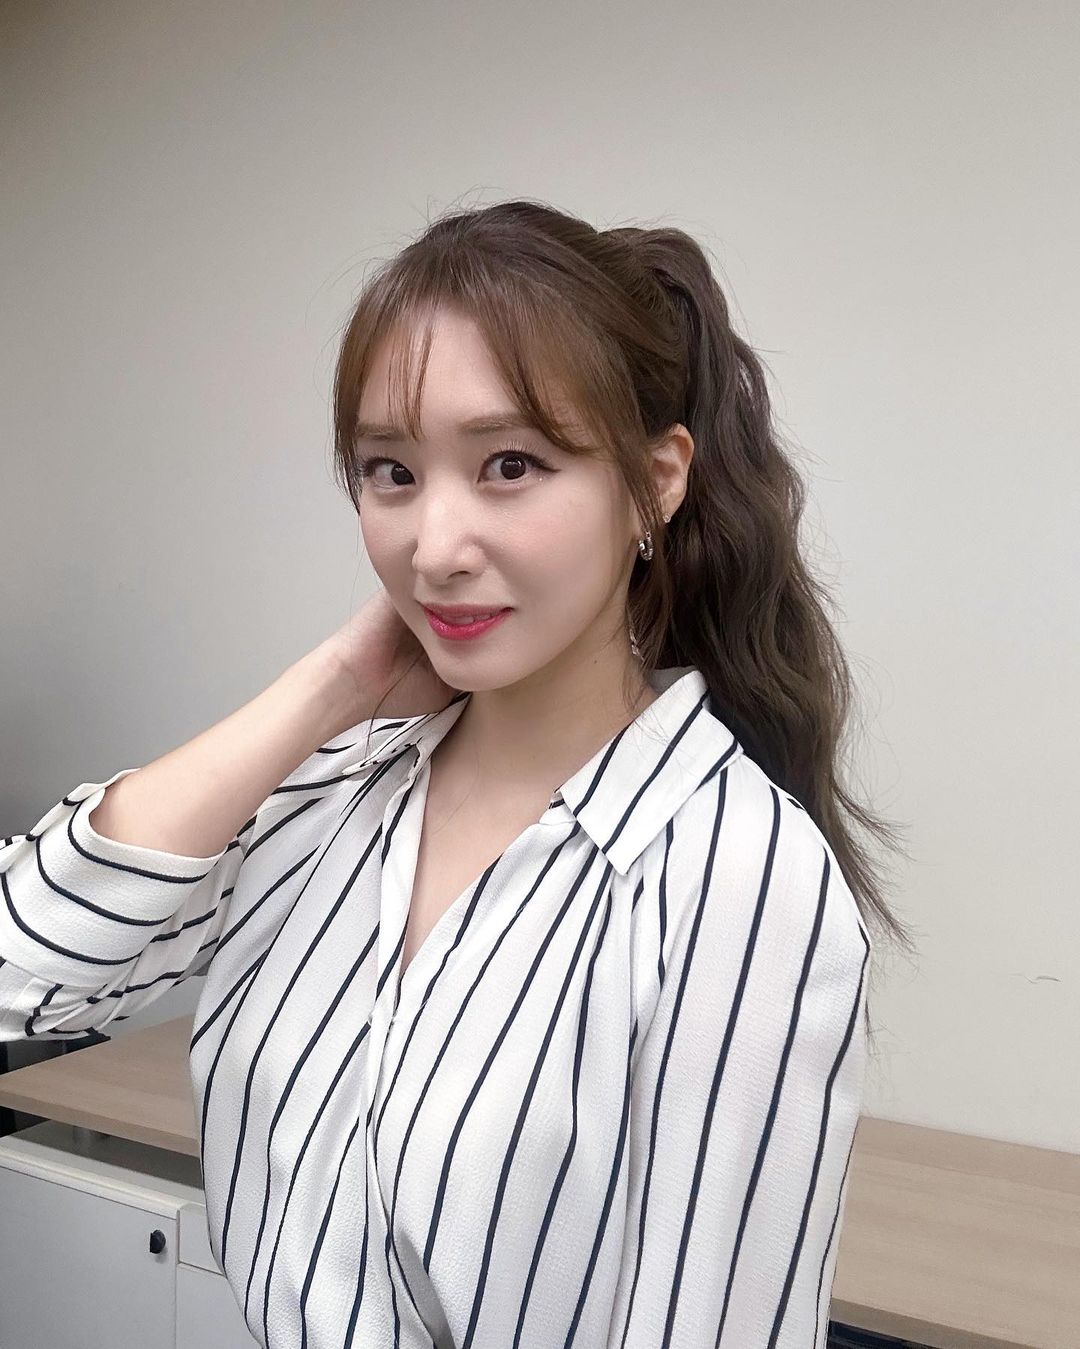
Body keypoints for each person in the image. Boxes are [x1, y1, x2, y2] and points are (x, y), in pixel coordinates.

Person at [0, 199, 914, 1348]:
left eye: (510, 464)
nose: (433, 548)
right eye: (390, 470)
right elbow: (20, 974)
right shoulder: (334, 790)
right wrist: (333, 682)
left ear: (656, 480)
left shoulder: (737, 877)